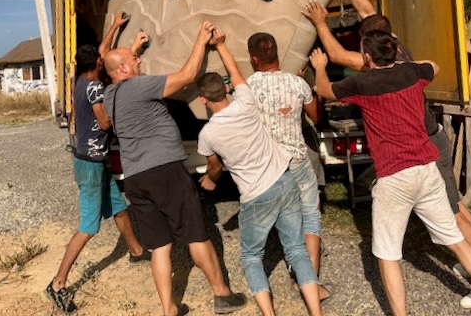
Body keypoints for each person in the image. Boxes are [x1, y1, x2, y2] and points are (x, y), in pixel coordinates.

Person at [302, 0, 471, 310]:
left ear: (367, 50)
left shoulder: (368, 74)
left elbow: (335, 56)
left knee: (455, 216)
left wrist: (321, 23)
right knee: (454, 214)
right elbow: (370, 11)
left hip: (414, 153)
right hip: (427, 149)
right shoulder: (400, 54)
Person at [102, 21, 247, 316]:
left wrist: (130, 50)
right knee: (196, 233)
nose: (139, 59)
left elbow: (117, 67)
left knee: (160, 246)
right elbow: (186, 76)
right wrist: (199, 39)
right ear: (126, 70)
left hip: (136, 178)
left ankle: (168, 309)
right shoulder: (140, 86)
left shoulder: (110, 96)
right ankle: (222, 295)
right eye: (135, 60)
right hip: (164, 171)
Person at [197, 29, 323, 316]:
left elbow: (215, 167)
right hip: (289, 172)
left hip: (257, 191)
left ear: (203, 100)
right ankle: (316, 308)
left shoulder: (213, 129)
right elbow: (237, 75)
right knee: (300, 241)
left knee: (252, 256)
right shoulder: (247, 100)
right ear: (227, 90)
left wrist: (210, 178)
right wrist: (223, 46)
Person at [46, 14, 150, 314]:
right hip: (92, 164)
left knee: (117, 206)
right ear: (98, 65)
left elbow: (103, 53)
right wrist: (115, 119)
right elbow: (104, 122)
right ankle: (58, 282)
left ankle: (136, 250)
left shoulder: (80, 82)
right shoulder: (94, 89)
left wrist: (116, 27)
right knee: (88, 227)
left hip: (89, 160)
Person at [246, 33, 329, 302]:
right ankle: (310, 283)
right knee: (310, 217)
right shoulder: (297, 83)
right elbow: (315, 116)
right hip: (298, 161)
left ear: (253, 58)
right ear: (277, 53)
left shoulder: (247, 88)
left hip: (268, 168)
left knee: (279, 225)